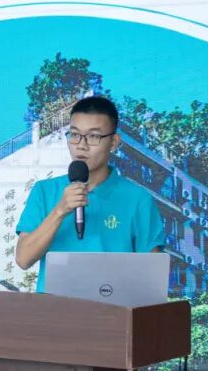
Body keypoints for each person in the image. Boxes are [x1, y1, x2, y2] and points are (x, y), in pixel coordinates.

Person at [15, 95, 165, 291]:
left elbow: (151, 279)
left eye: (93, 136)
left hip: (113, 308)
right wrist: (60, 210)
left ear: (114, 142)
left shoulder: (138, 199)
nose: (81, 145)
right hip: (54, 308)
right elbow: (23, 259)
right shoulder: (44, 191)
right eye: (74, 135)